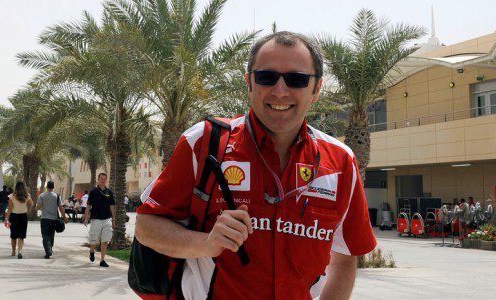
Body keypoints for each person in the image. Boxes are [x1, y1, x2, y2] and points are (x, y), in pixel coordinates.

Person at [136, 31, 376, 299]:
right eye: (266, 77)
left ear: (316, 88)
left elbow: (344, 258)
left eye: (296, 79)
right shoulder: (203, 141)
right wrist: (206, 243)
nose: (280, 91)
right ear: (249, 82)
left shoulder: (341, 161)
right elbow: (147, 226)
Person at [83, 173, 115, 268]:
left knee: (105, 241)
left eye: (105, 179)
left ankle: (102, 260)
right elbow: (88, 206)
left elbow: (112, 206)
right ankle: (92, 251)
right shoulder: (93, 192)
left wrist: (113, 219)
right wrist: (86, 218)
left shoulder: (109, 192)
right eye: (102, 179)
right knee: (94, 240)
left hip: (107, 219)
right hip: (96, 219)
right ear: (98, 179)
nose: (103, 180)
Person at [37, 181, 69, 259]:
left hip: (44, 219)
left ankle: (48, 251)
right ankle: (50, 249)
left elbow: (38, 207)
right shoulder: (57, 196)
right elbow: (61, 208)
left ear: (47, 186)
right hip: (54, 219)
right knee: (51, 236)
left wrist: (41, 207)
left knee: (45, 235)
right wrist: (64, 217)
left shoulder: (42, 195)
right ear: (53, 187)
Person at [4, 182, 34, 259]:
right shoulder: (27, 195)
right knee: (21, 236)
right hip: (23, 216)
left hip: (14, 217)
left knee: (13, 236)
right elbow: (32, 205)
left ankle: (13, 251)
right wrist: (27, 212)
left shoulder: (12, 196)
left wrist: (6, 218)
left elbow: (10, 208)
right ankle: (20, 251)